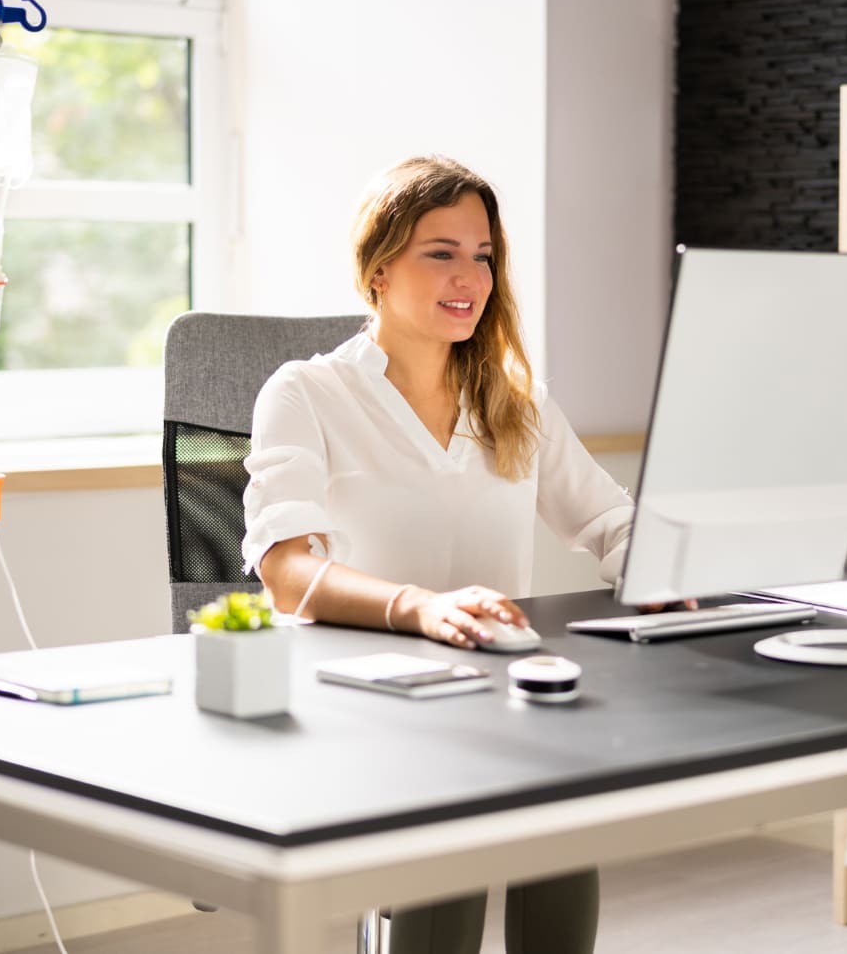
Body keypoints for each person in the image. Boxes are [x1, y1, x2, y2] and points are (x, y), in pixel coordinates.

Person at [241, 154, 622, 954]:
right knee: (464, 801)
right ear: (378, 268)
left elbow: (608, 520)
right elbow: (285, 571)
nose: (470, 276)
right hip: (360, 689)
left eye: (482, 255)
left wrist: (675, 572)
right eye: (440, 251)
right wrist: (418, 606)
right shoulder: (306, 393)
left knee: (561, 794)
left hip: (490, 685)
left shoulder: (516, 403)